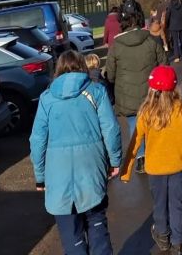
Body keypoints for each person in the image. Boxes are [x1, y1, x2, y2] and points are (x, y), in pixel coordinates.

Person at [30, 50, 122, 255]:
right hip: (91, 167)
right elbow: (111, 129)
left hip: (58, 174)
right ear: (83, 66)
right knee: (97, 224)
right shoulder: (96, 91)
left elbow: (37, 140)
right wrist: (115, 161)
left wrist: (40, 176)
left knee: (71, 234)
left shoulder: (47, 98)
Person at [120, 66, 182, 255]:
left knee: (160, 204)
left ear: (151, 88)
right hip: (177, 166)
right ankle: (178, 244)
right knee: (177, 205)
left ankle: (162, 236)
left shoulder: (146, 112)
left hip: (155, 169)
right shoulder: (180, 107)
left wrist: (126, 170)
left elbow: (135, 142)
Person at [106, 10, 166, 174]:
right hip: (151, 91)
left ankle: (141, 157)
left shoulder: (116, 46)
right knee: (153, 121)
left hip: (127, 94)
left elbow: (110, 74)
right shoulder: (151, 40)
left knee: (134, 124)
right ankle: (156, 151)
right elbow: (163, 64)